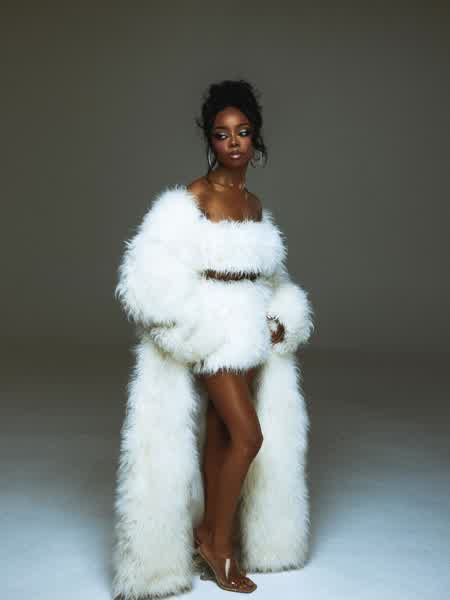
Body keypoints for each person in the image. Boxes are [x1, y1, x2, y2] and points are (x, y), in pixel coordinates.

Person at [112, 79, 313, 599]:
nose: (234, 142)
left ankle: (209, 533)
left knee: (224, 434)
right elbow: (149, 271)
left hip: (250, 332)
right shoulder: (193, 198)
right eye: (222, 134)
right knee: (249, 436)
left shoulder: (253, 203)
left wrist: (280, 315)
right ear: (210, 140)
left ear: (255, 137)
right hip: (212, 333)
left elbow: (269, 275)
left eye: (242, 131)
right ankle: (216, 542)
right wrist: (191, 328)